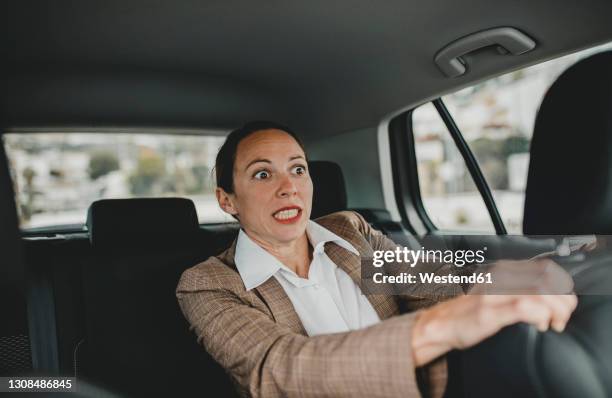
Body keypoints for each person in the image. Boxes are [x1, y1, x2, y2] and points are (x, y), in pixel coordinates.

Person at [176, 121, 577, 398]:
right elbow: (278, 371)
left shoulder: (348, 233)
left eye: (298, 169)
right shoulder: (210, 283)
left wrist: (507, 277)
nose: (289, 188)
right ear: (227, 199)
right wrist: (445, 326)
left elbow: (428, 281)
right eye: (263, 175)